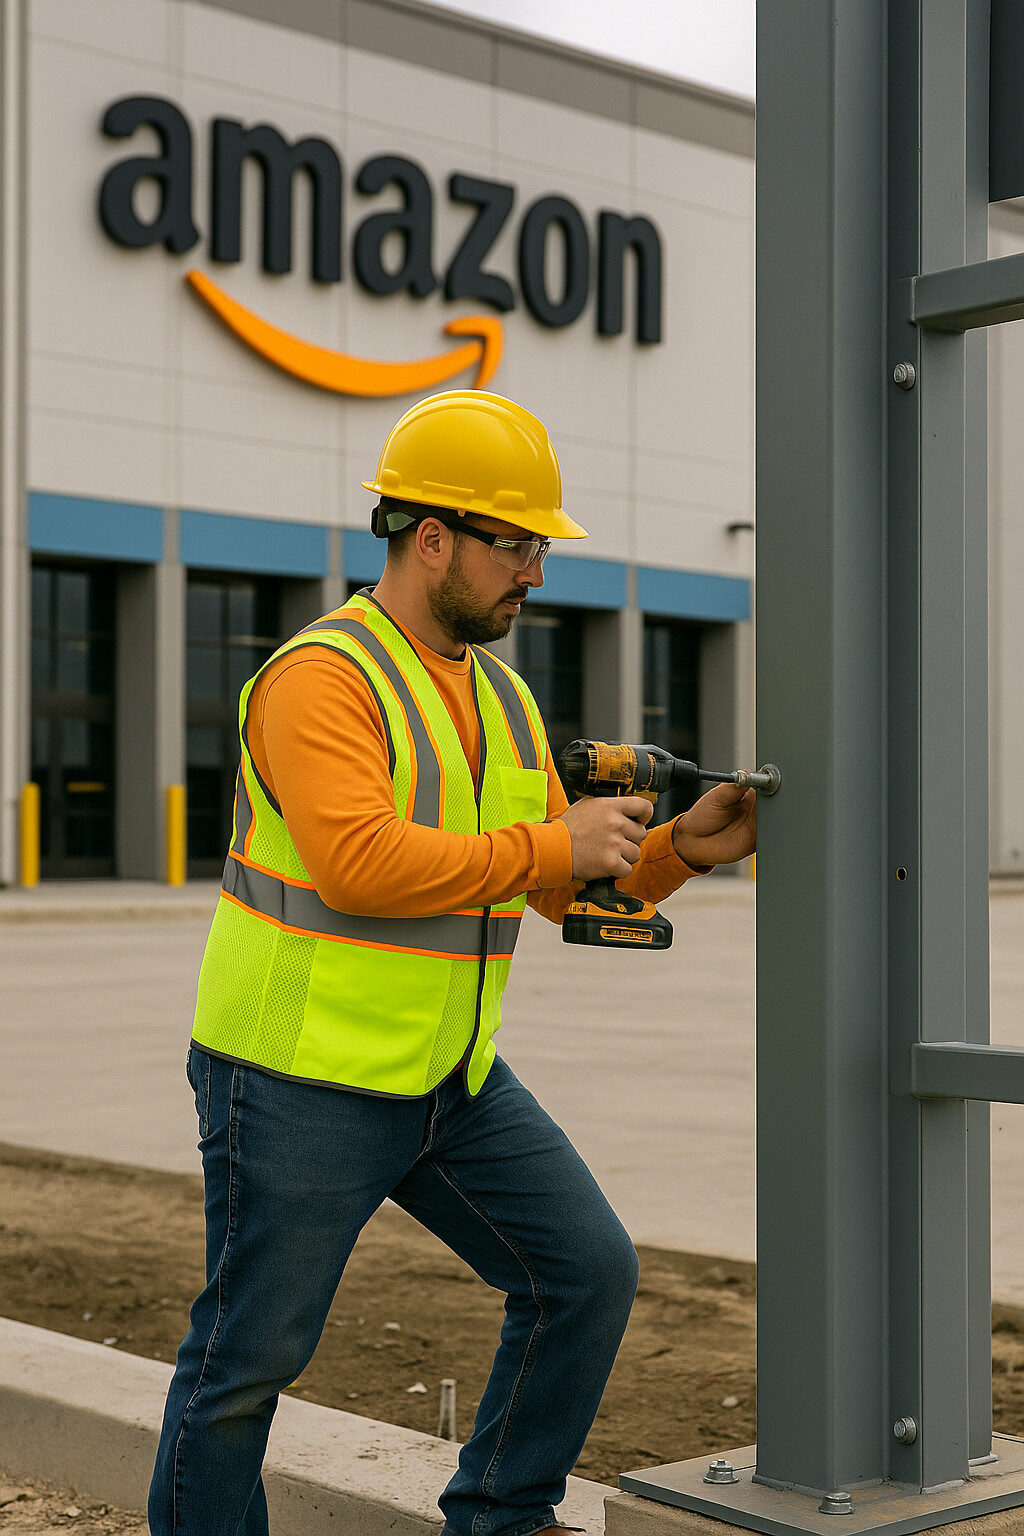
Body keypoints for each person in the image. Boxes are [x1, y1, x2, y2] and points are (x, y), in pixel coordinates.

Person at [148, 390, 757, 1536]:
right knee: (243, 1367)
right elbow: (361, 864)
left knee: (585, 1274)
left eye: (536, 546)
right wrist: (555, 839)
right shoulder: (319, 677)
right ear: (433, 537)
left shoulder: (502, 697)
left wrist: (686, 849)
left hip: (451, 1080)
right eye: (517, 544)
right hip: (297, 1082)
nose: (534, 571)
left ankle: (500, 1519)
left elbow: (542, 881)